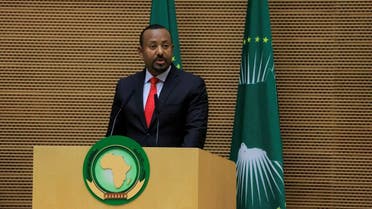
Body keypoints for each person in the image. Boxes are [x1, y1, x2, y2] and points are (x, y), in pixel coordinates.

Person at [106, 24, 208, 148]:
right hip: (134, 165)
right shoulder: (126, 86)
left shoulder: (192, 86)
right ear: (141, 51)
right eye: (153, 46)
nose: (160, 52)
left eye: (165, 46)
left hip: (175, 165)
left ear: (172, 49)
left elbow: (195, 135)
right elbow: (114, 135)